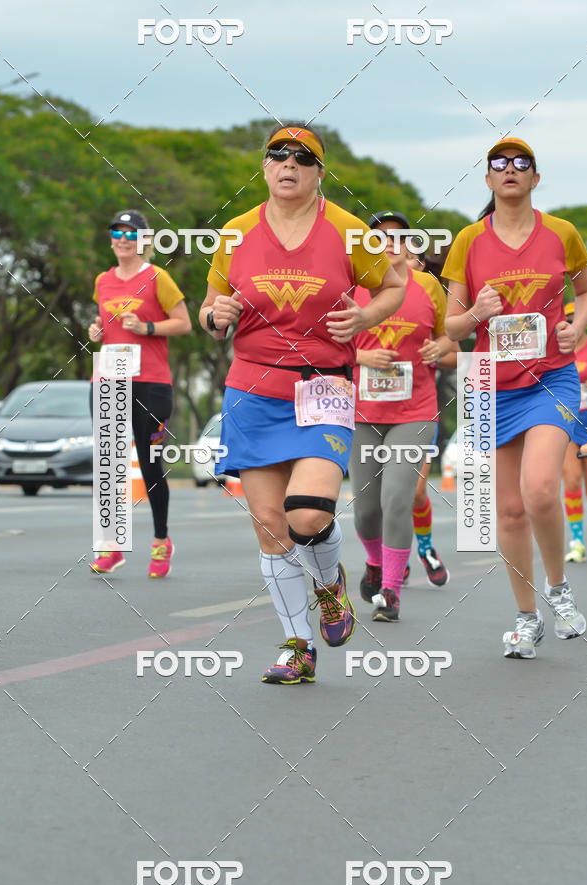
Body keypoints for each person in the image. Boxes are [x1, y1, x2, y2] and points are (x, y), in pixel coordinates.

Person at [200, 124, 404, 683]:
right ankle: (298, 646)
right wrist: (215, 317)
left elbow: (393, 288)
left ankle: (331, 584)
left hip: (323, 386)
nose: (288, 164)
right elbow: (211, 305)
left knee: (308, 515)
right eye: (277, 155)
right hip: (253, 389)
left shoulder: (349, 230)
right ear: (265, 167)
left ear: (319, 172)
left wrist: (365, 316)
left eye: (302, 157)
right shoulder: (236, 234)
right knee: (270, 525)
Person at [443, 138, 587, 658]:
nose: (509, 170)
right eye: (499, 165)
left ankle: (558, 589)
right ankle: (527, 618)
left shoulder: (562, 234)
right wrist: (477, 313)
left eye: (521, 163)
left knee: (540, 491)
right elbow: (452, 325)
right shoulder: (467, 241)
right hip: (487, 384)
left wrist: (576, 324)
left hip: (552, 378)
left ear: (534, 178)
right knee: (506, 512)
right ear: (487, 180)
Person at [349, 211, 453, 620]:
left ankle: (390, 591)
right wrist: (362, 355)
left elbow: (451, 339)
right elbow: (321, 346)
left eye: (398, 237)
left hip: (415, 412)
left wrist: (439, 350)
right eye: (379, 237)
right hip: (361, 414)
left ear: (410, 245)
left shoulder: (427, 286)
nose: (389, 242)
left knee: (397, 499)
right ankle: (374, 562)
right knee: (365, 508)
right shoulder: (352, 286)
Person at [88, 209, 192, 577]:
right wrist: (97, 331)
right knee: (111, 467)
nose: (121, 239)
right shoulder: (103, 280)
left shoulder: (157, 278)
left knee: (149, 463)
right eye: (116, 232)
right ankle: (111, 548)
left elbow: (183, 323)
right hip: (108, 378)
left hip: (150, 382)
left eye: (130, 233)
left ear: (144, 241)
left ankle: (161, 541)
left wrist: (147, 326)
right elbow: (105, 322)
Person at [403, 246, 459, 587]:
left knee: (416, 491)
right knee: (382, 496)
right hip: (371, 413)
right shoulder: (364, 296)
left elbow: (456, 355)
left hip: (418, 410)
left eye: (407, 254)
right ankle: (391, 555)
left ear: (421, 265)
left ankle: (424, 549)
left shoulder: (429, 301)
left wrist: (435, 352)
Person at [561, 300, 587, 562]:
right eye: (568, 320)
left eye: (576, 320)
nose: (572, 325)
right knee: (571, 482)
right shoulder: (560, 351)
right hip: (569, 424)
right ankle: (577, 542)